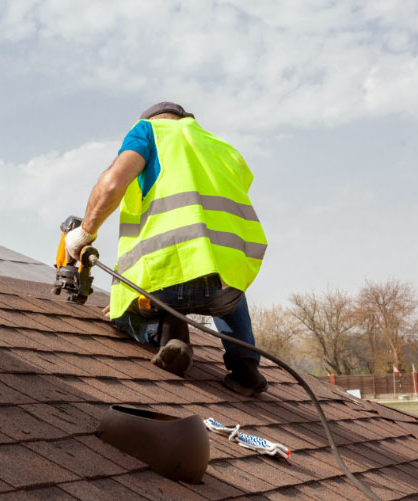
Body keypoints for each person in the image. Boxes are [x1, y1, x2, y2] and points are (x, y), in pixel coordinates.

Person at [64, 101, 268, 394]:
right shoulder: (220, 146)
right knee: (226, 281)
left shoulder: (148, 132)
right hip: (228, 286)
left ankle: (170, 335)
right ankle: (245, 367)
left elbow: (111, 184)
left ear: (155, 120)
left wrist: (84, 234)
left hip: (167, 282)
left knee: (122, 313)